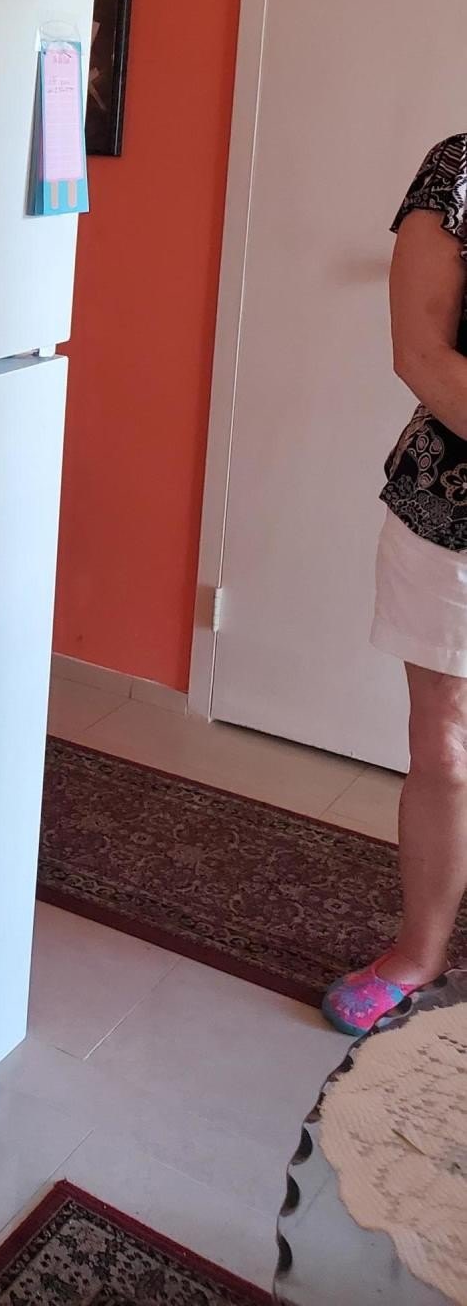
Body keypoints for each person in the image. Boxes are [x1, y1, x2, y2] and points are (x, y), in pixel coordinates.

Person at [322, 136, 467, 1036]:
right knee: (446, 744)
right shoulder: (460, 171)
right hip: (452, 513)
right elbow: (421, 352)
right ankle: (420, 952)